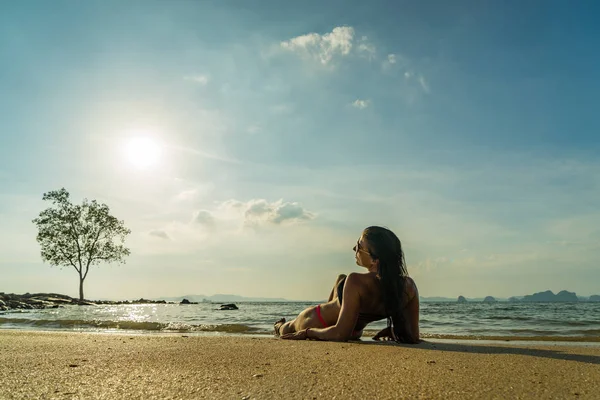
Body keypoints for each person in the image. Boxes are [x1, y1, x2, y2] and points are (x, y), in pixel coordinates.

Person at [274, 226, 419, 343]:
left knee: (287, 327)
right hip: (354, 331)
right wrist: (394, 330)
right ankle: (339, 286)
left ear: (375, 260)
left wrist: (307, 332)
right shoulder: (409, 286)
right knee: (341, 279)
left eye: (358, 246)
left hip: (317, 322)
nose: (354, 249)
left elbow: (339, 334)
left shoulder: (356, 280)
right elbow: (413, 336)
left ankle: (278, 326)